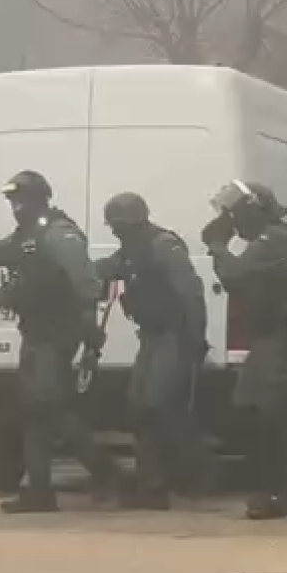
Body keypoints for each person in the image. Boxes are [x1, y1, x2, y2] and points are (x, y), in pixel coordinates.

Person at [0, 170, 121, 513]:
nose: (16, 207)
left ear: (40, 199)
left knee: (46, 408)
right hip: (36, 334)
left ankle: (104, 472)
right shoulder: (26, 237)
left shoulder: (59, 233)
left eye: (21, 200)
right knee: (36, 412)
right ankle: (42, 489)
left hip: (56, 334)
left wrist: (88, 322)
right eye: (12, 200)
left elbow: (85, 279)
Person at [200, 180, 287, 520]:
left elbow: (235, 275)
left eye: (237, 216)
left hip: (286, 337)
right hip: (269, 338)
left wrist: (218, 244)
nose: (235, 224)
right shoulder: (269, 239)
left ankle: (278, 493)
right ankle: (278, 487)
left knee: (273, 415)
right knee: (254, 412)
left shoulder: (277, 238)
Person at [94, 192, 212, 507]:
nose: (117, 232)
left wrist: (196, 338)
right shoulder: (133, 250)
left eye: (121, 226)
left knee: (158, 408)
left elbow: (191, 293)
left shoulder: (163, 246)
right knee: (140, 410)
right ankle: (155, 484)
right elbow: (107, 268)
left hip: (173, 335)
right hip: (151, 336)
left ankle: (187, 475)